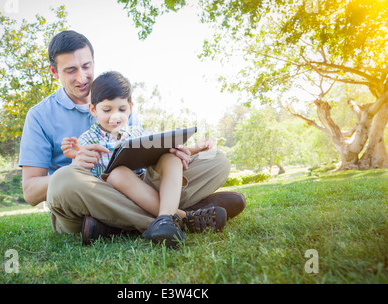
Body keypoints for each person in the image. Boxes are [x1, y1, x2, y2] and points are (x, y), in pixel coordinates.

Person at [19, 30, 246, 245]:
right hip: (87, 200)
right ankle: (184, 218)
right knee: (63, 179)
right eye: (70, 70)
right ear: (54, 71)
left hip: (134, 188)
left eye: (87, 66)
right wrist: (75, 165)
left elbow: (142, 151)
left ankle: (113, 227)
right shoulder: (39, 116)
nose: (82, 77)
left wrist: (178, 151)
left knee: (215, 160)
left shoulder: (116, 98)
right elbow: (30, 193)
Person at [61, 71, 228, 246]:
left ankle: (165, 219)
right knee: (118, 174)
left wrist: (196, 148)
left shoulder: (138, 134)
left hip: (146, 187)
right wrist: (75, 159)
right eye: (107, 110)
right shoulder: (86, 141)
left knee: (170, 157)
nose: (115, 116)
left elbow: (168, 148)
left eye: (122, 109)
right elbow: (79, 182)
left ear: (130, 108)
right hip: (115, 198)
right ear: (93, 110)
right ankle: (185, 218)